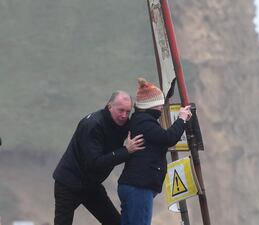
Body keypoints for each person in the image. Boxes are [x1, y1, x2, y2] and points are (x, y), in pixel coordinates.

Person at [53, 91, 145, 225]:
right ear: (109, 107)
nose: (124, 115)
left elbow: (144, 129)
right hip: (69, 184)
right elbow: (95, 163)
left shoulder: (124, 123)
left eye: (127, 111)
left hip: (91, 185)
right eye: (120, 110)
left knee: (114, 222)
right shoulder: (93, 125)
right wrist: (126, 151)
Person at [117, 78, 192, 225]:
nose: (162, 107)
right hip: (139, 187)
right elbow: (168, 138)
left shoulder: (140, 120)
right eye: (160, 103)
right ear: (151, 105)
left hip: (132, 185)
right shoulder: (145, 123)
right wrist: (181, 119)